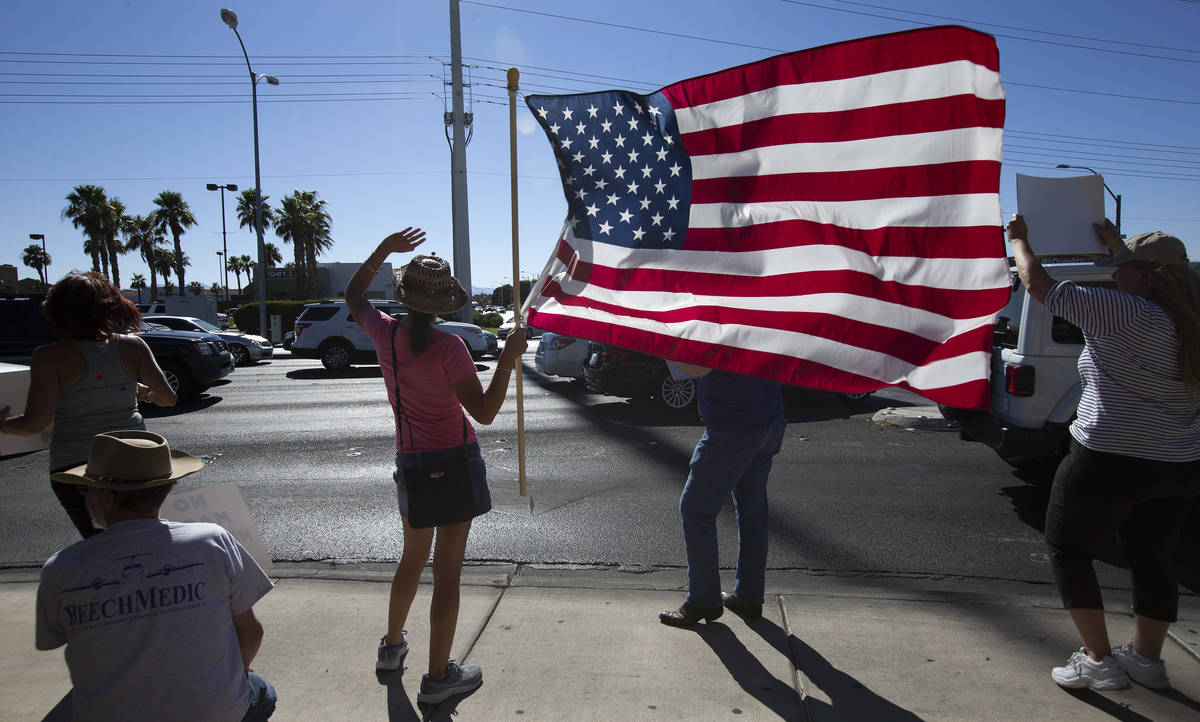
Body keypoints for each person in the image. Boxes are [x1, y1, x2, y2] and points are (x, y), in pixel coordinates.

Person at [1007, 214, 1200, 691]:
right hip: (1179, 463)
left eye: (1124, 266)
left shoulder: (1125, 311)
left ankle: (1097, 660)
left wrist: (1020, 242)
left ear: (1147, 275)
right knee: (1153, 558)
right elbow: (1133, 272)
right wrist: (1118, 245)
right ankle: (1146, 661)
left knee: (1069, 550)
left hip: (1111, 457)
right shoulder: (1187, 317)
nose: (1114, 273)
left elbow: (1040, 284)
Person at [344, 228, 527, 705]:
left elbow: (353, 294)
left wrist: (383, 248)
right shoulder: (450, 348)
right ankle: (438, 678)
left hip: (411, 460)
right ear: (445, 304)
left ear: (405, 298)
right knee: (447, 576)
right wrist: (507, 359)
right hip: (455, 462)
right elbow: (484, 413)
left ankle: (391, 648)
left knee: (410, 561)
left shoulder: (384, 333)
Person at [36, 430, 276, 721]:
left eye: (88, 490)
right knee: (260, 689)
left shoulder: (61, 568)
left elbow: (58, 639)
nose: (85, 499)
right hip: (215, 714)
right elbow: (251, 633)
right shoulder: (212, 540)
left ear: (108, 498)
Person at [0, 271, 177, 538]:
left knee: (102, 545)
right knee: (142, 539)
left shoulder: (50, 357)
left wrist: (3, 425)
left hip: (78, 467)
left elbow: (34, 423)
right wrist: (143, 393)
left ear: (58, 313)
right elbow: (168, 399)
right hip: (137, 460)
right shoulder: (133, 346)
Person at [659, 363, 787, 627]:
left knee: (695, 510)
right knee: (752, 509)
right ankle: (749, 597)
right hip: (770, 417)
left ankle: (702, 600)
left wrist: (667, 346)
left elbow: (698, 367)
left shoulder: (717, 322)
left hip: (734, 425)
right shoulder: (758, 319)